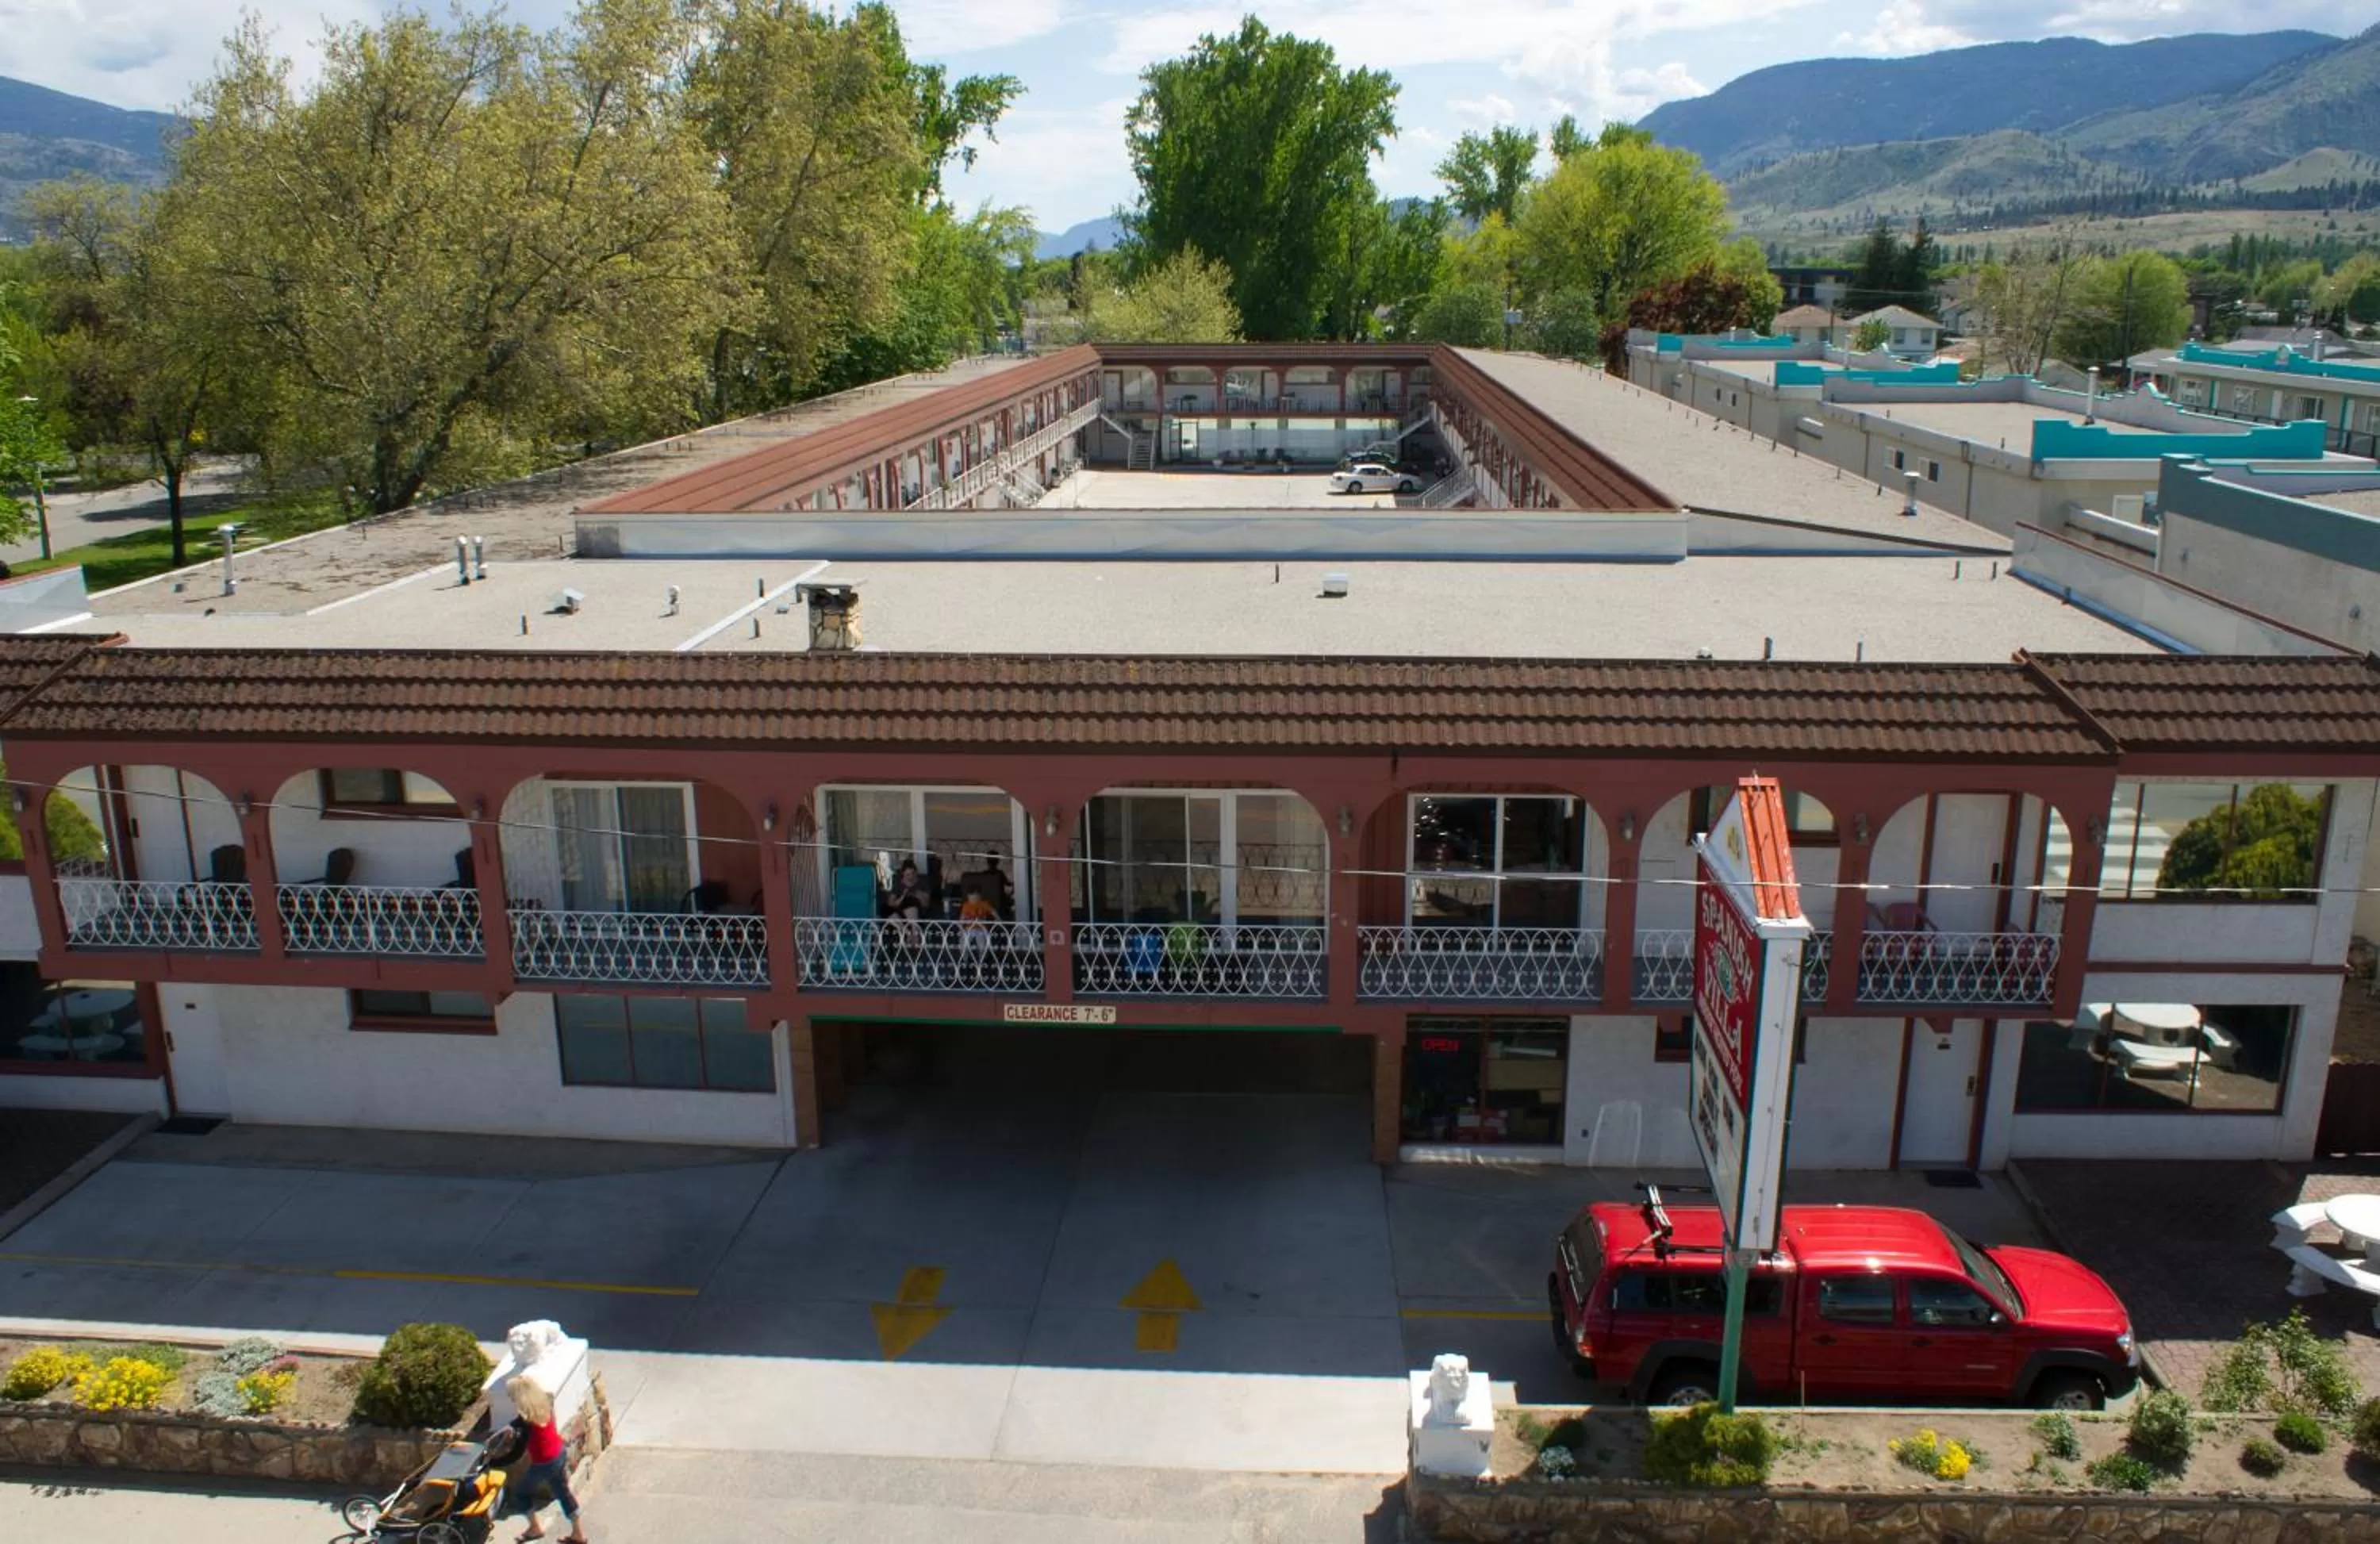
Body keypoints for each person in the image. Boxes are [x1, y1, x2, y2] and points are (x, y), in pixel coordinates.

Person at [506, 1377, 585, 1543]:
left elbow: (517, 1452)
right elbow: (519, 1422)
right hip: (558, 1452)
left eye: (512, 1395)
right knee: (563, 1493)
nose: (511, 1398)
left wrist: (495, 1463)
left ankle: (535, 1528)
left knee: (521, 1493)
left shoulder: (527, 1421)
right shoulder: (543, 1406)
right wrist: (511, 1427)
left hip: (545, 1463)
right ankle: (578, 1534)